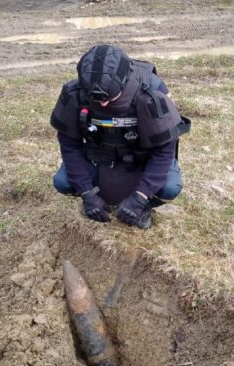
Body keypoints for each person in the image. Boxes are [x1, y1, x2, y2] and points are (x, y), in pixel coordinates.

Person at [50, 44, 190, 229]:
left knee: (169, 188)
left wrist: (140, 197)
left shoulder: (149, 94)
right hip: (99, 158)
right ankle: (100, 198)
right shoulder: (75, 94)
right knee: (63, 183)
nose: (104, 103)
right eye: (98, 100)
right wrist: (87, 193)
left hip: (140, 162)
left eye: (109, 98)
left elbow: (164, 151)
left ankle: (145, 208)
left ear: (123, 82)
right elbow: (69, 145)